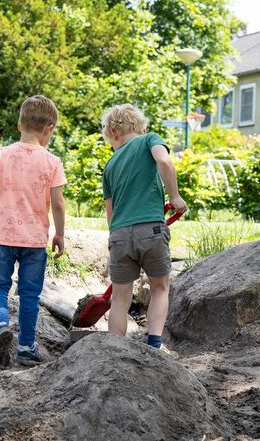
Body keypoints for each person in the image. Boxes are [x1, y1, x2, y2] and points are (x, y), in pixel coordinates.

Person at [0, 95, 66, 366]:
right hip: (34, 241)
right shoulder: (52, 162)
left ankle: (0, 324)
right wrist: (60, 234)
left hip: (4, 237)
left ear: (20, 124)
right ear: (49, 128)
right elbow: (58, 204)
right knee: (30, 294)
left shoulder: (2, 154)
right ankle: (27, 346)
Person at [101, 104, 187, 350]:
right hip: (151, 230)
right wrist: (175, 196)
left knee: (120, 297)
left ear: (113, 132)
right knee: (160, 287)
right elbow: (164, 161)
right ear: (142, 127)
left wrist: (117, 239)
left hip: (119, 235)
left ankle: (116, 349)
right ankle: (154, 344)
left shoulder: (109, 165)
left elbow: (111, 213)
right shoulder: (150, 139)